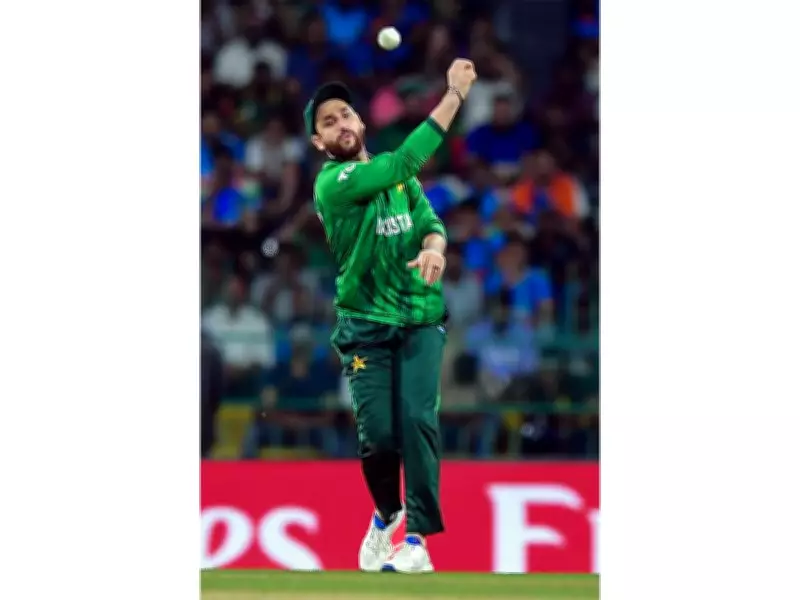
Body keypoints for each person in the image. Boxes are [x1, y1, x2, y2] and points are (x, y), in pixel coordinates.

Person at [304, 58, 477, 574]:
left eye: (346, 114)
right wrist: (454, 96)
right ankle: (386, 515)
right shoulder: (334, 182)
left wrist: (434, 250)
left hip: (420, 316)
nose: (341, 124)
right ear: (318, 142)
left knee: (419, 419)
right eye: (328, 122)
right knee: (378, 435)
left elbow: (432, 223)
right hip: (364, 324)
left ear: (360, 121)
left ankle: (417, 541)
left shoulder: (398, 180)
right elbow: (404, 163)